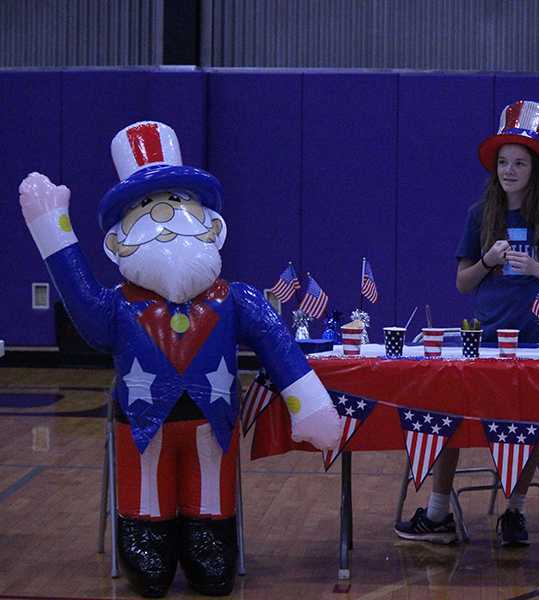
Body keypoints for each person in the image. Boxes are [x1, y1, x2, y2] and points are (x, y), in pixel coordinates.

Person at [17, 121, 341, 597]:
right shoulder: (119, 305)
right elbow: (84, 313)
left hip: (212, 423)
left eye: (176, 201)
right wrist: (52, 230)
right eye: (146, 206)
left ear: (213, 227)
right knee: (146, 489)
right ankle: (145, 534)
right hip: (142, 424)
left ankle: (210, 538)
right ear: (117, 243)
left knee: (211, 490)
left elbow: (276, 342)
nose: (164, 213)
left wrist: (308, 404)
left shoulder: (235, 299)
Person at [394, 100, 539, 547]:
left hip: (537, 340)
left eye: (519, 162)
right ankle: (439, 513)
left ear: (536, 169)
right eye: (503, 161)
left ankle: (514, 513)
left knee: (526, 425)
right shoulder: (480, 215)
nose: (510, 170)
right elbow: (462, 283)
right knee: (452, 413)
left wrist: (537, 269)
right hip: (487, 336)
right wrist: (487, 260)